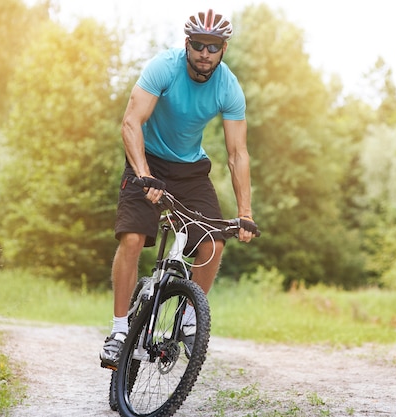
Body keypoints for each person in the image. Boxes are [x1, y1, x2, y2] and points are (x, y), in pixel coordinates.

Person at [100, 9, 258, 370]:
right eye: (199, 45)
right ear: (187, 44)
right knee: (133, 239)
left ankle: (189, 316)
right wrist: (143, 174)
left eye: (213, 46)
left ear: (223, 49)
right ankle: (119, 331)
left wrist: (245, 213)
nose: (205, 53)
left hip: (190, 171)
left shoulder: (228, 87)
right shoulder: (164, 67)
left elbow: (238, 153)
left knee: (214, 242)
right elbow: (130, 122)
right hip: (148, 161)